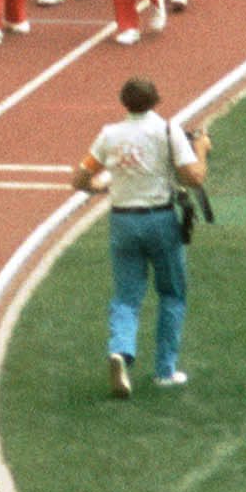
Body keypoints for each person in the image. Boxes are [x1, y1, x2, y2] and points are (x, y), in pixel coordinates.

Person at [73, 76, 209, 396]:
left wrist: (99, 186)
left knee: (125, 297)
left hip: (122, 220)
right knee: (172, 294)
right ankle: (165, 370)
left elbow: (80, 177)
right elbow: (193, 177)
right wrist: (201, 149)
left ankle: (120, 349)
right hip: (159, 219)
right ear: (155, 100)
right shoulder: (166, 130)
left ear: (124, 103)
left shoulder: (109, 135)